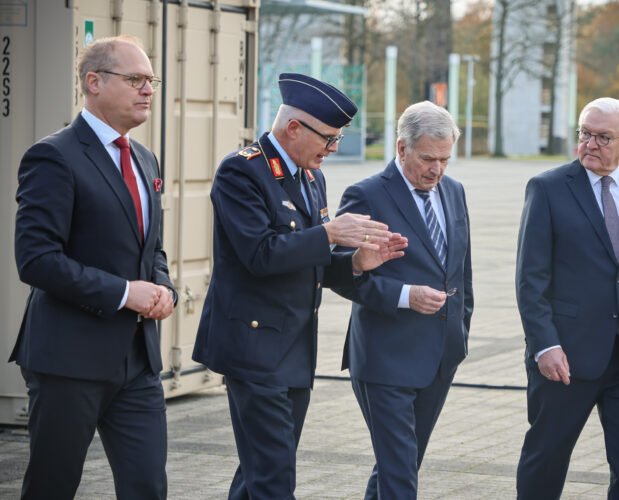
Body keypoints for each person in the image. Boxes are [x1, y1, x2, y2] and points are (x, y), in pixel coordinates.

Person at [192, 73, 407, 500]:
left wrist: (358, 263)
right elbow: (260, 254)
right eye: (328, 139)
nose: (333, 149)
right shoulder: (243, 171)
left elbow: (313, 267)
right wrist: (329, 235)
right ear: (294, 128)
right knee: (274, 477)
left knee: (261, 470)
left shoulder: (311, 177)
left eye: (337, 140)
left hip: (293, 349)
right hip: (254, 349)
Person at [11, 35, 176, 499]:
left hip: (138, 362)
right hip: (68, 359)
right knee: (52, 486)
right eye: (136, 80)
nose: (148, 90)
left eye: (151, 81)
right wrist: (125, 293)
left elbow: (151, 250)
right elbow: (36, 259)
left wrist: (163, 289)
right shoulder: (54, 156)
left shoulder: (144, 159)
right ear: (94, 82)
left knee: (147, 486)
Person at [515, 97, 619, 499]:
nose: (590, 143)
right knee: (545, 460)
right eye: (584, 134)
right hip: (566, 358)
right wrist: (545, 345)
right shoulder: (548, 188)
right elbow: (530, 279)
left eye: (602, 137)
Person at [333, 100, 473, 499]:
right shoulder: (367, 195)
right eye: (428, 158)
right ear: (401, 148)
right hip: (385, 358)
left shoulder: (454, 192)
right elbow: (342, 274)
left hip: (441, 355)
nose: (437, 169)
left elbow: (462, 270)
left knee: (401, 466)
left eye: (445, 159)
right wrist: (405, 296)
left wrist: (461, 332)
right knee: (399, 476)